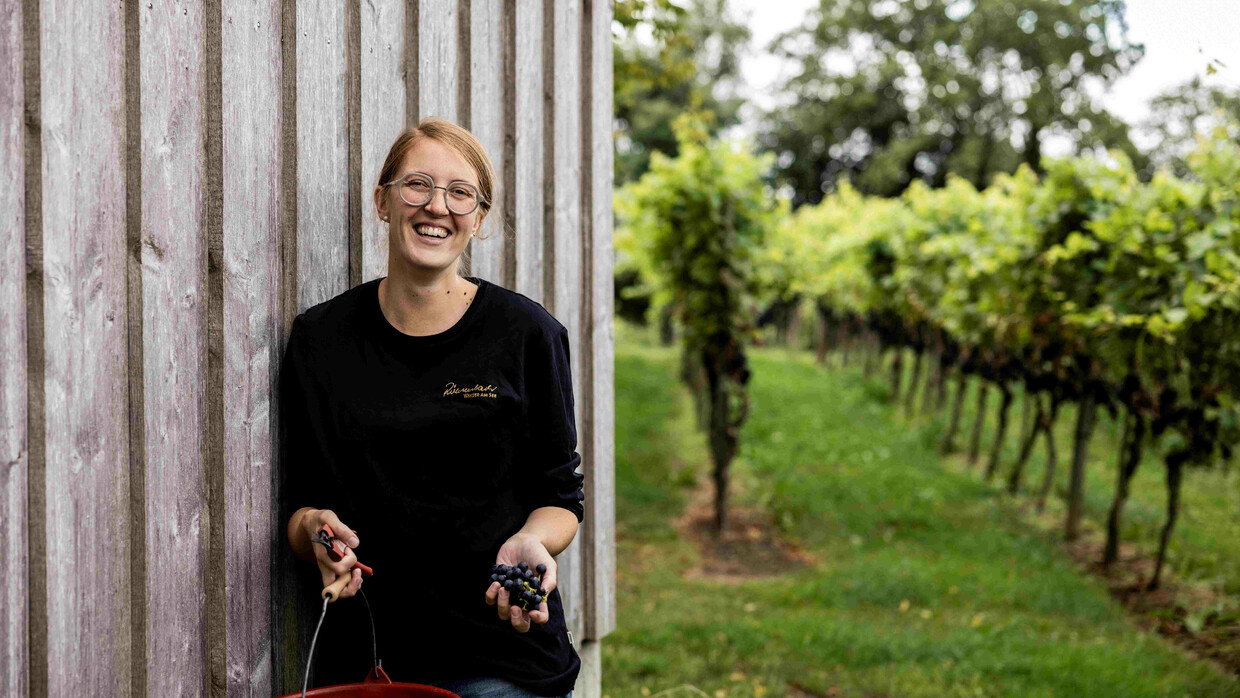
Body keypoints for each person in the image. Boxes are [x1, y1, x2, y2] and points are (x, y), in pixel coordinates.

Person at [279, 117, 582, 698]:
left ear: (479, 218)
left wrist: (532, 539)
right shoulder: (321, 339)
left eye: (460, 192)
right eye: (417, 184)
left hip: (503, 660)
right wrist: (316, 530)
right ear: (383, 201)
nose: (437, 206)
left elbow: (560, 497)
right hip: (370, 664)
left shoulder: (526, 334)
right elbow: (301, 507)